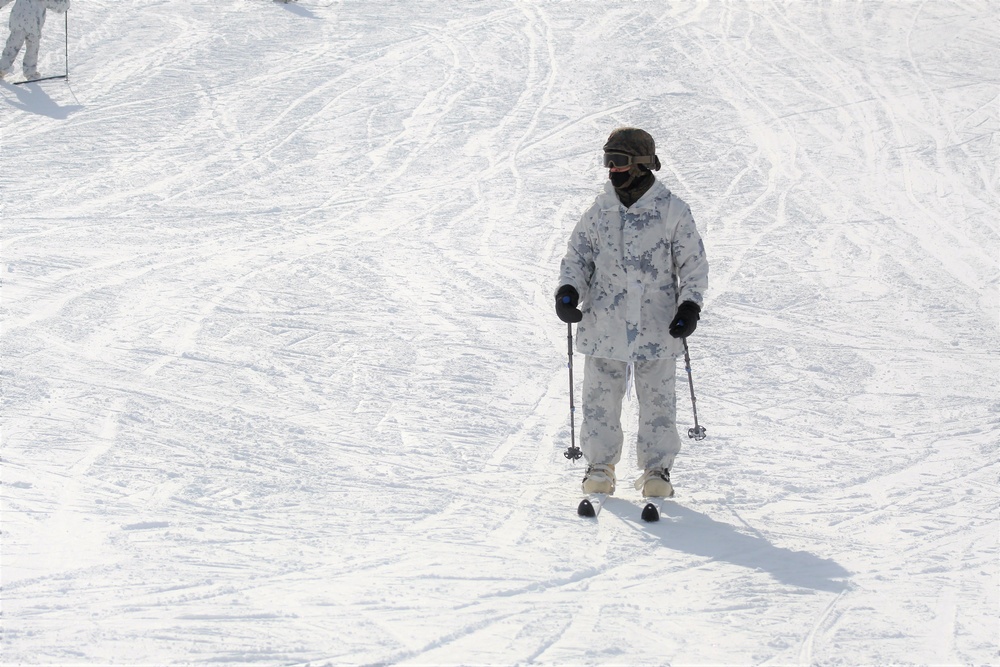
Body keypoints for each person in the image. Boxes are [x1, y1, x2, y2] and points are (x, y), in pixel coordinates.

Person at [556, 127, 709, 498]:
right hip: (604, 320)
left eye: (619, 161)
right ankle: (600, 465)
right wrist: (568, 290)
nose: (611, 169)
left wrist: (690, 305)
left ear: (641, 164)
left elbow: (692, 264)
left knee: (657, 397)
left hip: (657, 322)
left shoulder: (670, 210)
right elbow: (578, 256)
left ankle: (657, 469)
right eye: (607, 160)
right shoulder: (599, 211)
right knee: (600, 396)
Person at [0, 0, 69, 82]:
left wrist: (65, 4)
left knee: (28, 49)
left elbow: (56, 5)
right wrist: (65, 4)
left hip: (29, 24)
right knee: (16, 47)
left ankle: (29, 72)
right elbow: (57, 5)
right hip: (26, 23)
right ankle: (4, 69)